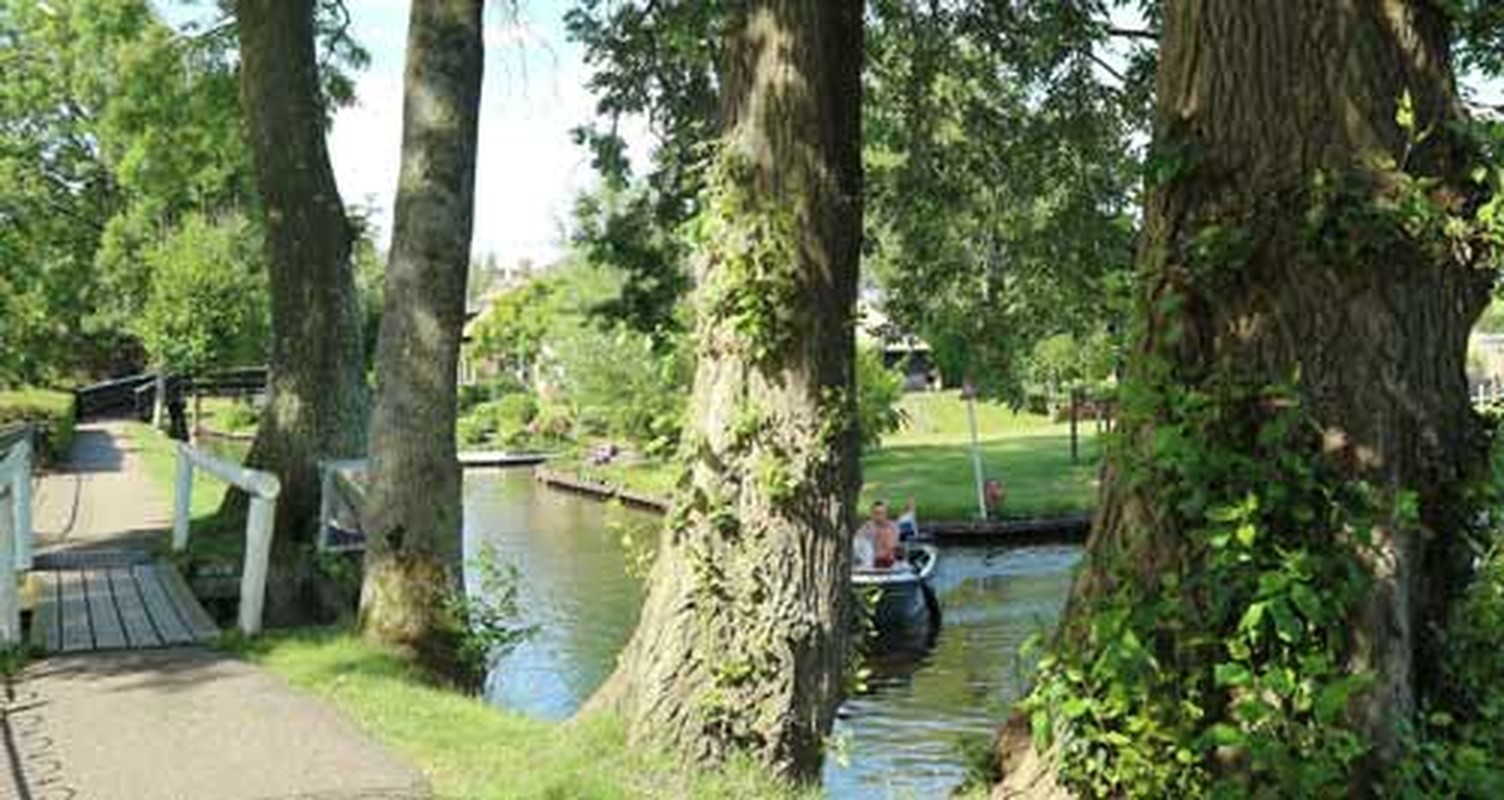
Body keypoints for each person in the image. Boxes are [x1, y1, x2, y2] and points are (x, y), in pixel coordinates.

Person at [857, 500, 902, 569]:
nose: (879, 516)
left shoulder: (892, 527)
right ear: (872, 514)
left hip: (890, 562)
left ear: (886, 514)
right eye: (876, 513)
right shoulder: (866, 528)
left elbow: (893, 546)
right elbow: (860, 546)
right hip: (872, 562)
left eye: (882, 513)